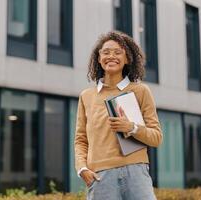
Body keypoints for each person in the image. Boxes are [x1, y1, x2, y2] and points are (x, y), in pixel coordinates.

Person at [74, 31, 163, 200]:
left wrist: (132, 127)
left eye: (117, 52)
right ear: (99, 58)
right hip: (100, 177)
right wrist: (82, 168)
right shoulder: (86, 96)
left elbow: (156, 137)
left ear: (127, 58)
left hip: (136, 173)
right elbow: (80, 139)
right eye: (106, 52)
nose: (111, 56)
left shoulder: (140, 91)